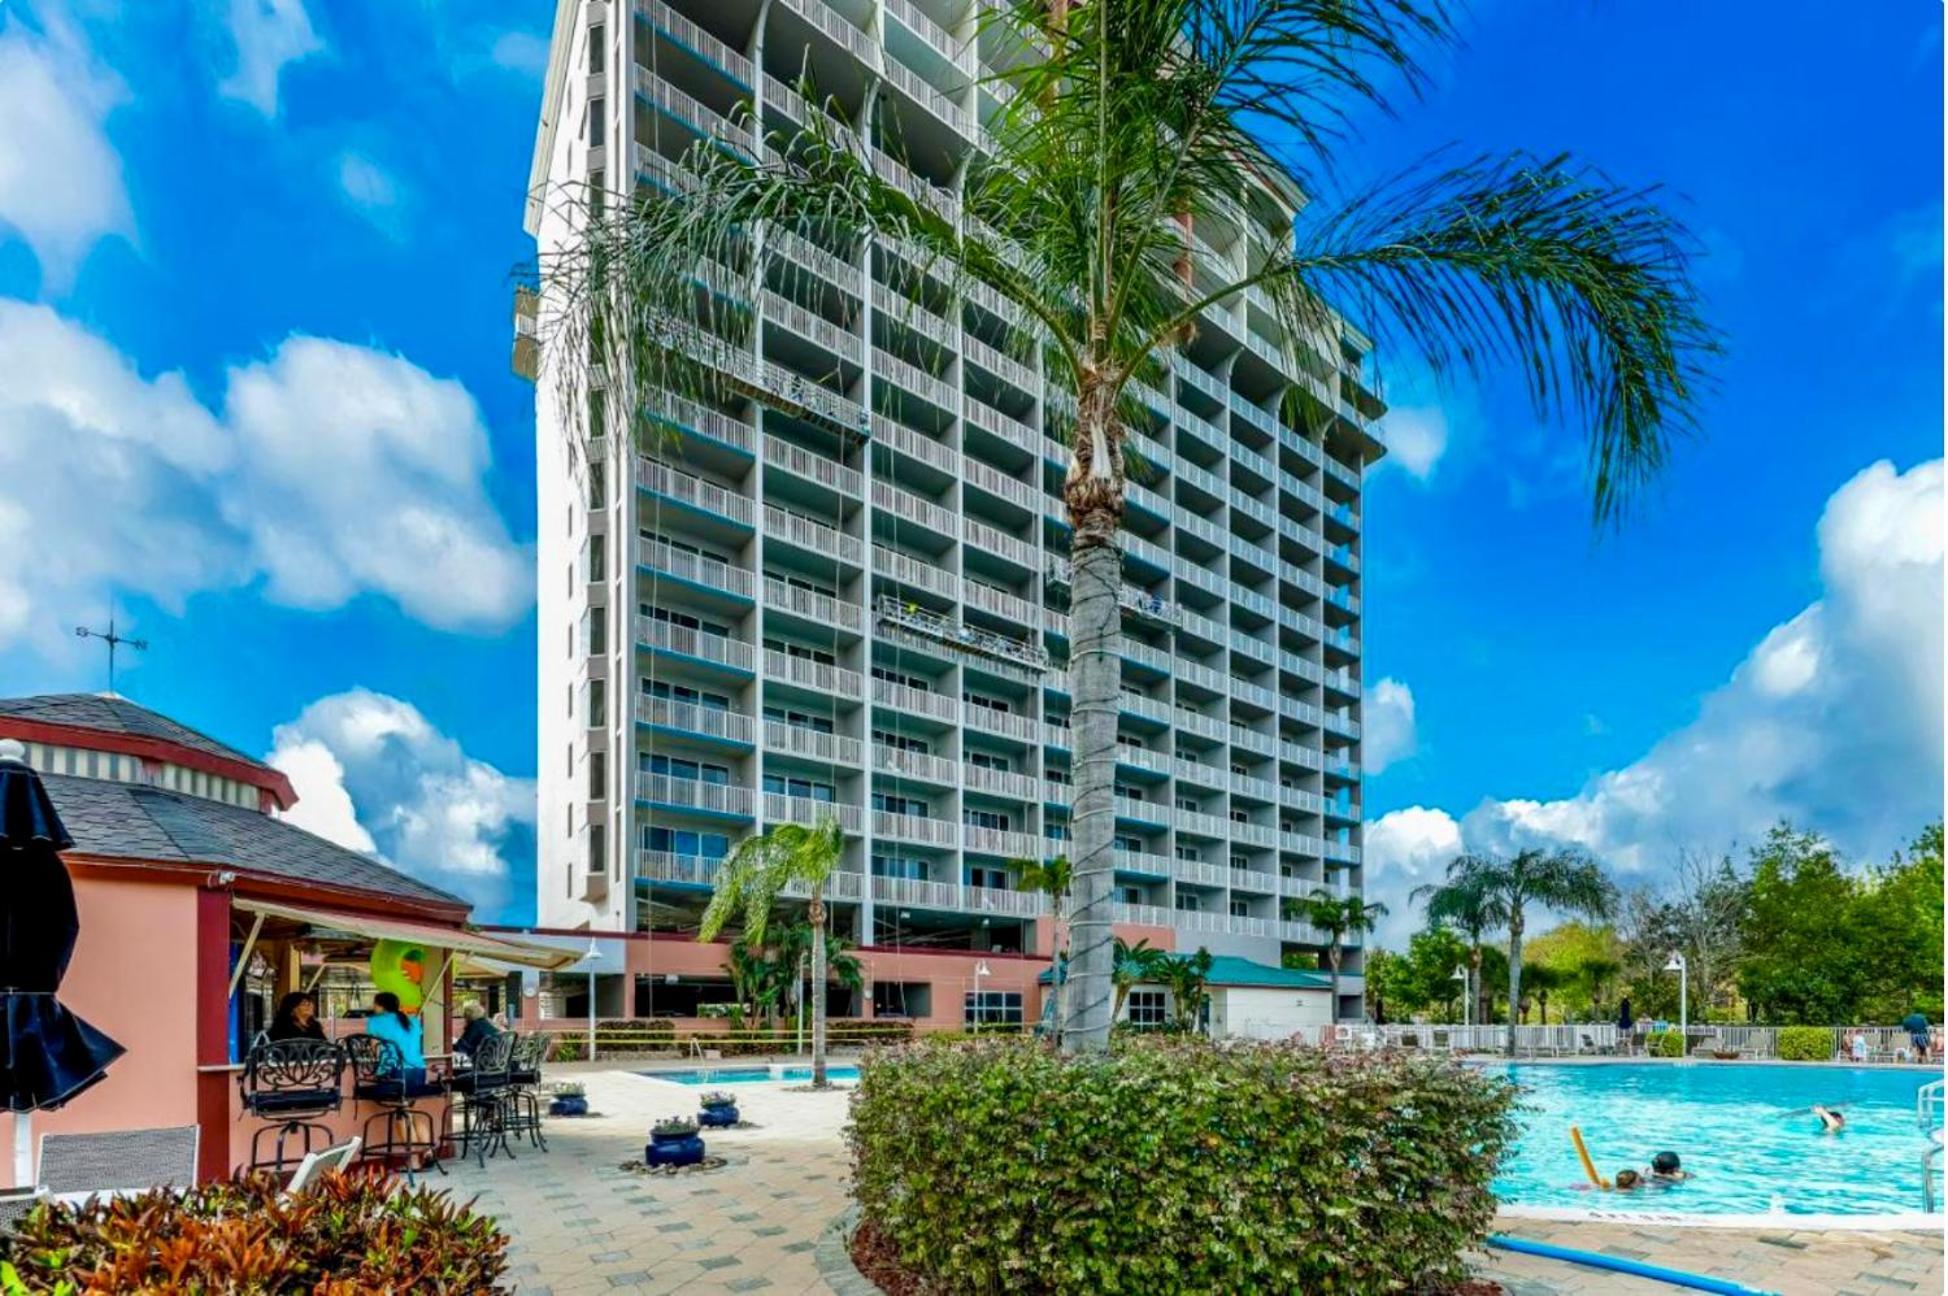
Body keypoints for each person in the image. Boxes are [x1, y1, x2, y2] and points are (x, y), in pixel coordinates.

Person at [364, 991, 426, 1077]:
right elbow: (419, 1045)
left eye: (375, 1004)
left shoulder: (374, 1021)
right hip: (419, 1070)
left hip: (393, 1071)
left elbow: (375, 1049)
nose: (373, 1007)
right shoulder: (414, 1020)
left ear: (381, 1006)